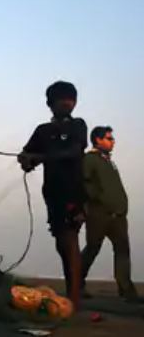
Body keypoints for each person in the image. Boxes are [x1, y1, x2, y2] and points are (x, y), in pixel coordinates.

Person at [18, 81, 87, 310]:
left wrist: (41, 157)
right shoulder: (42, 131)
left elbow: (74, 151)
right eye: (62, 99)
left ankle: (74, 299)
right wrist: (26, 160)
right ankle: (72, 293)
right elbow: (27, 155)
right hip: (52, 193)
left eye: (71, 99)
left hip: (73, 192)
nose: (67, 102)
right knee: (61, 242)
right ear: (50, 103)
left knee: (70, 240)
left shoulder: (78, 125)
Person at [80, 126, 139, 302]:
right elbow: (84, 183)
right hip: (99, 214)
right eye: (109, 138)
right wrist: (99, 200)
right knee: (92, 248)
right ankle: (76, 284)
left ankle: (127, 291)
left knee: (122, 251)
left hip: (118, 215)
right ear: (98, 140)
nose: (113, 141)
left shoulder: (108, 161)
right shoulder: (90, 159)